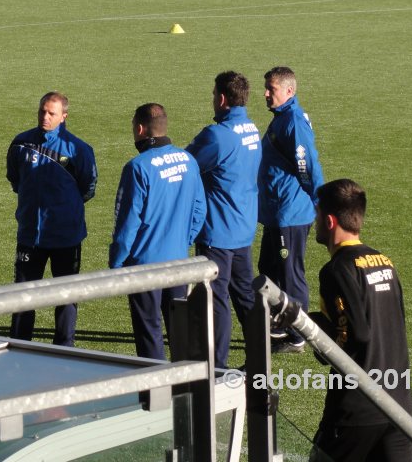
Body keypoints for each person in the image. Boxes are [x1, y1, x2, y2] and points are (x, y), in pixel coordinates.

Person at [309, 179, 412, 462]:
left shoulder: (335, 271)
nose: (314, 222)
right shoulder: (385, 262)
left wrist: (310, 328)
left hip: (356, 411)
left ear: (330, 221)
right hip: (400, 407)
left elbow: (355, 336)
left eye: (317, 215)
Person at [110, 103, 206, 360]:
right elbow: (199, 211)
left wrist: (117, 263)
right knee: (179, 330)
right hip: (178, 262)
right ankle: (187, 388)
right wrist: (182, 241)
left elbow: (127, 222)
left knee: (149, 331)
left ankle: (157, 392)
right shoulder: (188, 160)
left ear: (140, 129)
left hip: (145, 266)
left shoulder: (137, 167)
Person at [6, 91, 98, 347]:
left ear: (64, 116)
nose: (45, 117)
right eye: (42, 111)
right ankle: (19, 346)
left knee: (66, 297)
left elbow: (88, 187)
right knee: (23, 296)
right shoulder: (20, 144)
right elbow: (14, 179)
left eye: (51, 113)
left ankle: (64, 348)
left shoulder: (79, 150)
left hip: (65, 237)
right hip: (30, 236)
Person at [187, 71, 261, 369]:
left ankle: (216, 367)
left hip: (218, 230)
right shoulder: (252, 129)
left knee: (216, 301)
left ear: (221, 98)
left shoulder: (216, 135)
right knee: (245, 297)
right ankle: (259, 357)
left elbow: (188, 163)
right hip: (243, 227)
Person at [257, 66, 324, 353]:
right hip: (276, 211)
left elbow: (306, 163)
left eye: (271, 89)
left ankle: (298, 335)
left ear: (289, 91)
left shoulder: (293, 121)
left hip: (290, 212)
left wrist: (318, 199)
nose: (266, 94)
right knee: (269, 269)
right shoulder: (282, 118)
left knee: (290, 273)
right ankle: (280, 324)